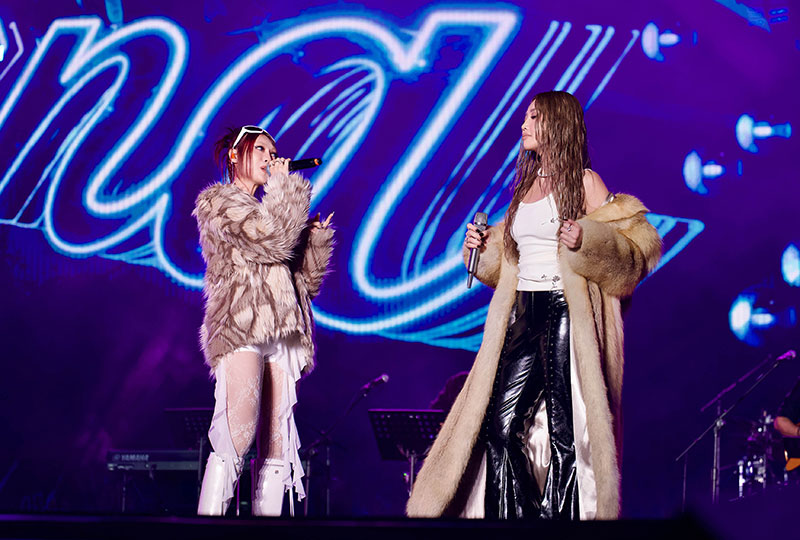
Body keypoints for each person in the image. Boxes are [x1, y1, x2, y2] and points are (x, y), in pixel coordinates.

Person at [407, 91, 661, 520]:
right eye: (525, 116)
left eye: (533, 116)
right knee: (501, 430)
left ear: (556, 124)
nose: (523, 124)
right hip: (523, 311)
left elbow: (633, 254)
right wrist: (481, 246)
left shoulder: (585, 182)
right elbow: (509, 261)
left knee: (566, 434)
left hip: (565, 311)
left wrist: (586, 239)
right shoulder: (525, 186)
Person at [192, 125, 334, 516]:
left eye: (274, 152)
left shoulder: (270, 209)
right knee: (238, 434)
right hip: (243, 323)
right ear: (235, 155)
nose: (270, 158)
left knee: (277, 446)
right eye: (261, 149)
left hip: (283, 330)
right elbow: (269, 240)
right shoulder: (218, 203)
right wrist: (286, 190)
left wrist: (314, 241)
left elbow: (304, 285)